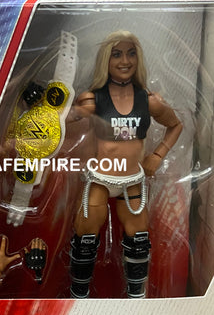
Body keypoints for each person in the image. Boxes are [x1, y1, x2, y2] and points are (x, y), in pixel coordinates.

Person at [69, 30, 183, 299]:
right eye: (117, 54)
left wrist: (157, 156)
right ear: (106, 59)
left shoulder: (148, 100)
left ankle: (136, 300)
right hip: (100, 179)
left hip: (132, 181)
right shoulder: (93, 99)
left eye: (131, 53)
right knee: (85, 240)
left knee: (139, 241)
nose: (125, 60)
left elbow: (176, 125)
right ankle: (78, 297)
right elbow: (61, 121)